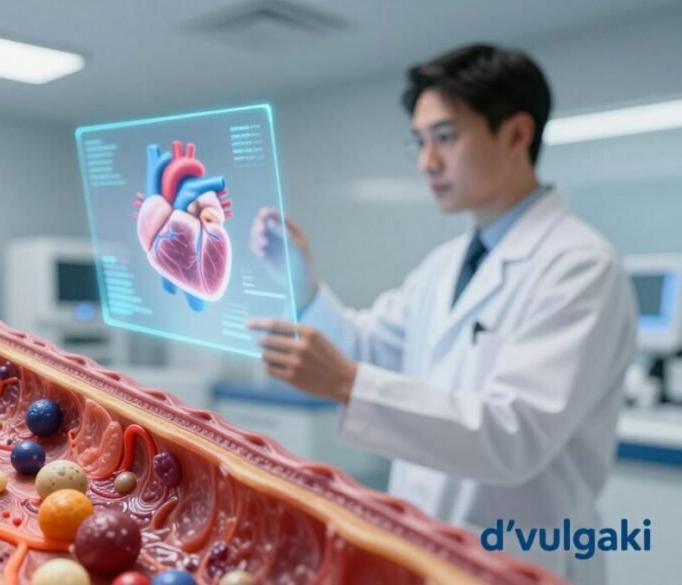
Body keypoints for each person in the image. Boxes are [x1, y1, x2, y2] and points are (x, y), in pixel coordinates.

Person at [247, 44, 637, 584]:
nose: (427, 162)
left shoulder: (579, 266)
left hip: (522, 556)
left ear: (517, 135)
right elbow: (365, 348)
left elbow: (514, 435)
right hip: (427, 545)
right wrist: (301, 285)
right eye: (421, 142)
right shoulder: (445, 265)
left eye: (446, 138)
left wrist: (350, 384)